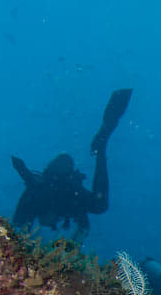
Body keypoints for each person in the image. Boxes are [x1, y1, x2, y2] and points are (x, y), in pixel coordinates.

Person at [11, 88, 132, 237]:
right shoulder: (66, 208)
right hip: (66, 184)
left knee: (100, 205)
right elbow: (84, 227)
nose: (51, 224)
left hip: (62, 183)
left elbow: (30, 182)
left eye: (51, 223)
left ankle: (101, 148)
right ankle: (101, 149)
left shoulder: (35, 200)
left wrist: (20, 167)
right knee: (99, 205)